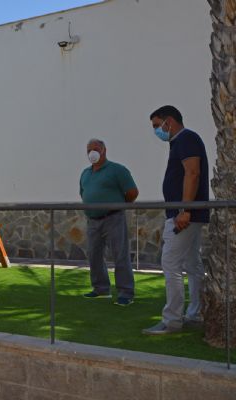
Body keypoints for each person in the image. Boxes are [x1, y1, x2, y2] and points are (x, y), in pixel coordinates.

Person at [143, 105, 209, 335]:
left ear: (168, 122)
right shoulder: (182, 141)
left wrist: (184, 210)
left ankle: (172, 320)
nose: (156, 131)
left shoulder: (186, 139)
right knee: (192, 265)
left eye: (156, 125)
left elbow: (192, 173)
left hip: (184, 216)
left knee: (170, 263)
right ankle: (196, 313)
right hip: (187, 213)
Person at [79, 139, 139, 306]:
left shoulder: (117, 170)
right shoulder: (85, 173)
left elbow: (132, 192)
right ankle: (100, 289)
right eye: (89, 149)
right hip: (92, 220)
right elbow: (83, 193)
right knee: (94, 255)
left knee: (120, 254)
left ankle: (126, 292)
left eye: (96, 148)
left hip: (113, 218)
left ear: (104, 150)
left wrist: (118, 207)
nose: (92, 152)